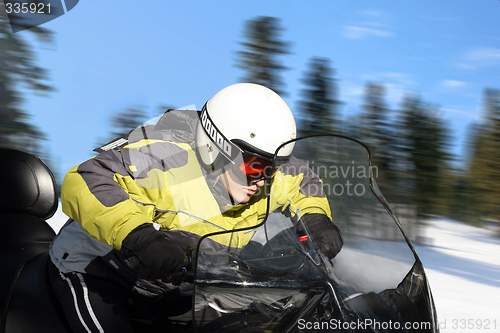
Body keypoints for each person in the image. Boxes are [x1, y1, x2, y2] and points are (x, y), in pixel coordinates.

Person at [48, 83, 343, 333]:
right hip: (101, 272)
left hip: (181, 291)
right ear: (217, 147)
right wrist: (138, 237)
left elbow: (302, 180)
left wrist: (316, 219)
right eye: (255, 166)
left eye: (271, 168)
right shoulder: (166, 158)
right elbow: (86, 180)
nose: (262, 179)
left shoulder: (262, 176)